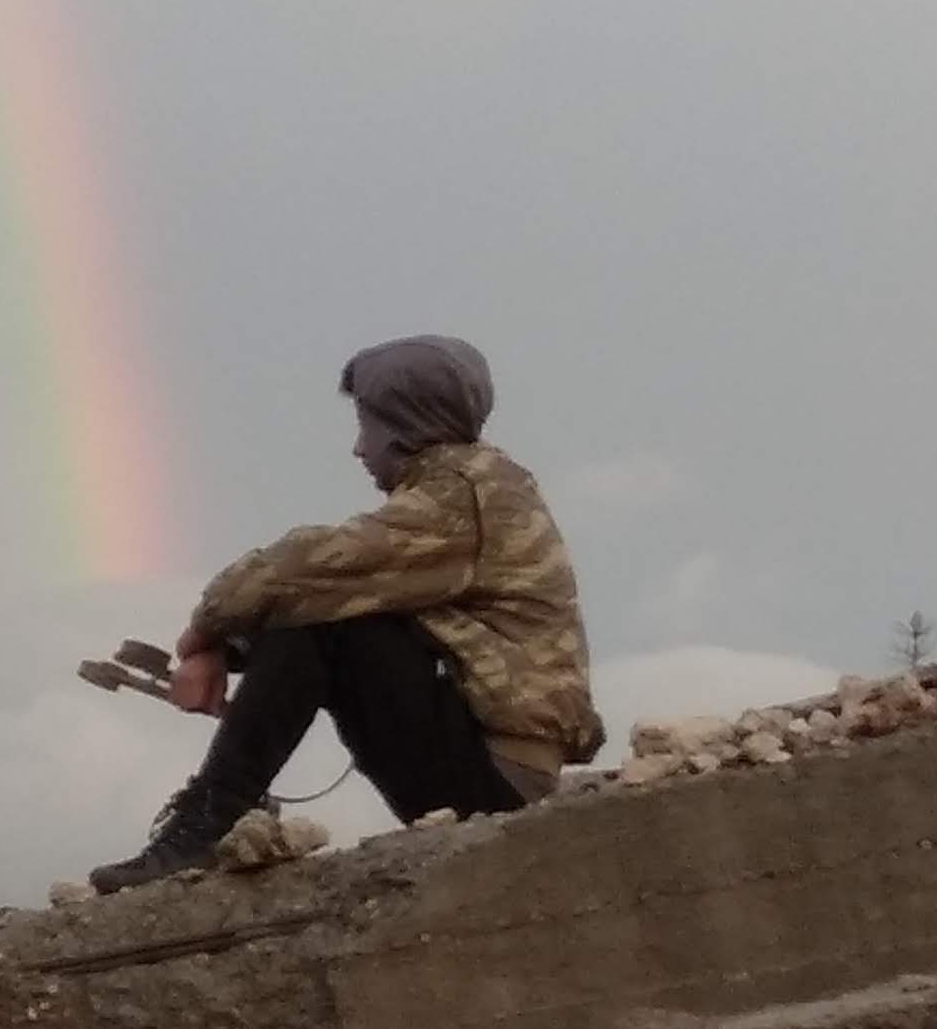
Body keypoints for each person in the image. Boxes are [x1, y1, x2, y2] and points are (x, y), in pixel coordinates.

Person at [91, 335, 601, 893]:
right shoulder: (473, 489)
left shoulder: (463, 495)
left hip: (497, 776)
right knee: (323, 616)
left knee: (319, 622)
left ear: (405, 424)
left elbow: (302, 567)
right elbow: (338, 587)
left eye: (367, 425)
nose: (359, 449)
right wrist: (236, 652)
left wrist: (202, 637)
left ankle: (206, 828)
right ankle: (220, 815)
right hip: (488, 760)